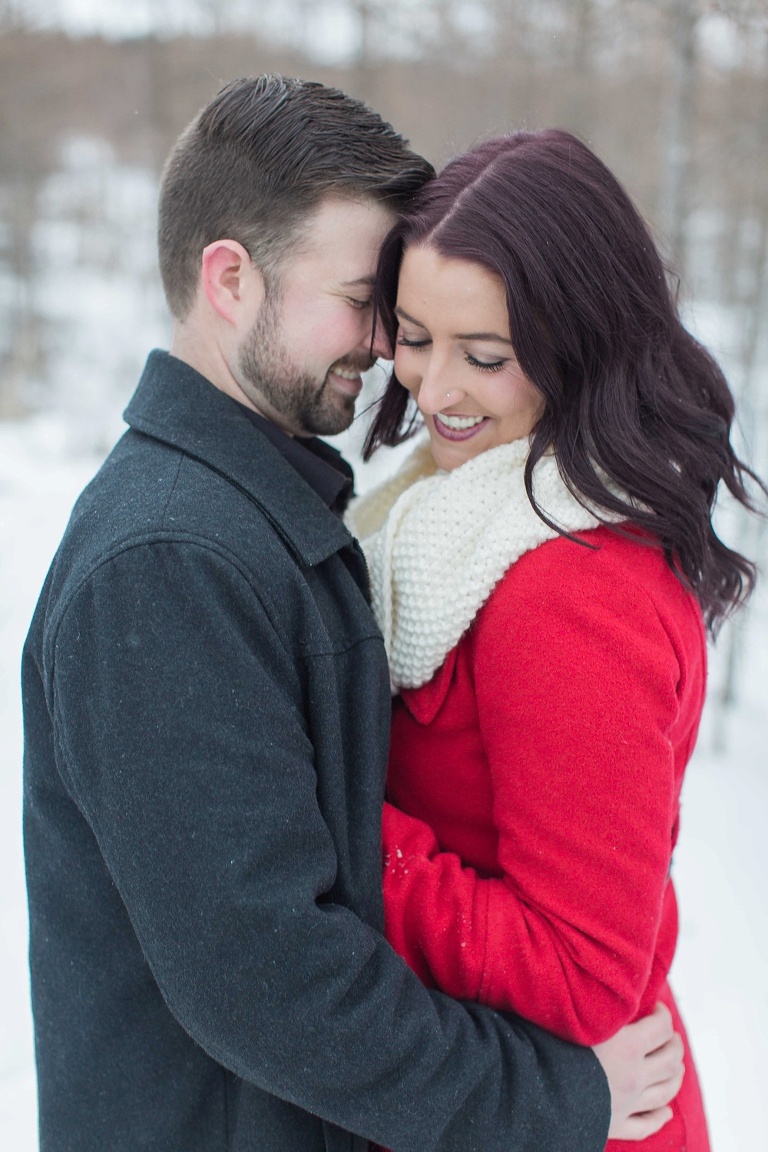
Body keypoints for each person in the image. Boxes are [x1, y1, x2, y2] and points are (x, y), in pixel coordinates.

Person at [22, 80, 684, 1152]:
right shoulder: (172, 562)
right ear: (231, 279)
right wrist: (559, 1100)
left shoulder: (276, 516)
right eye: (361, 300)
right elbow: (272, 982)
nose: (387, 348)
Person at [348, 128, 764, 1152]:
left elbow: (581, 973)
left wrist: (336, 839)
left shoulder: (567, 589)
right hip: (502, 1098)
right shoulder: (444, 518)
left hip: (572, 1116)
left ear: (578, 340)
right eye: (412, 336)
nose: (434, 390)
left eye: (484, 356)